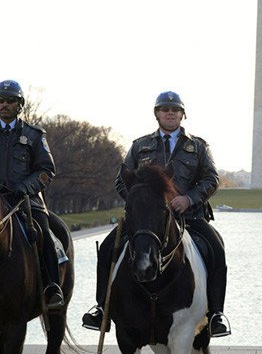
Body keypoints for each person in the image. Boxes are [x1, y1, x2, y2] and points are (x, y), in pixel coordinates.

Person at [82, 91, 231, 337]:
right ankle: (102, 308)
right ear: (157, 114)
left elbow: (211, 179)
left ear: (183, 114)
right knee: (109, 247)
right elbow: (123, 180)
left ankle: (216, 314)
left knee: (216, 249)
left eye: (175, 110)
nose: (170, 113)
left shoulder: (199, 147)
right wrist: (142, 203)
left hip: (189, 217)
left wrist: (189, 198)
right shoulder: (140, 146)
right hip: (148, 220)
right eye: (165, 109)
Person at [0, 79, 63, 309]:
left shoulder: (34, 135)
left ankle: (51, 286)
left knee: (43, 233)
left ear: (20, 104)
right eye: (0, 100)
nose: (4, 104)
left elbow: (46, 171)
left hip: (25, 201)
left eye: (10, 100)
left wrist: (23, 188)